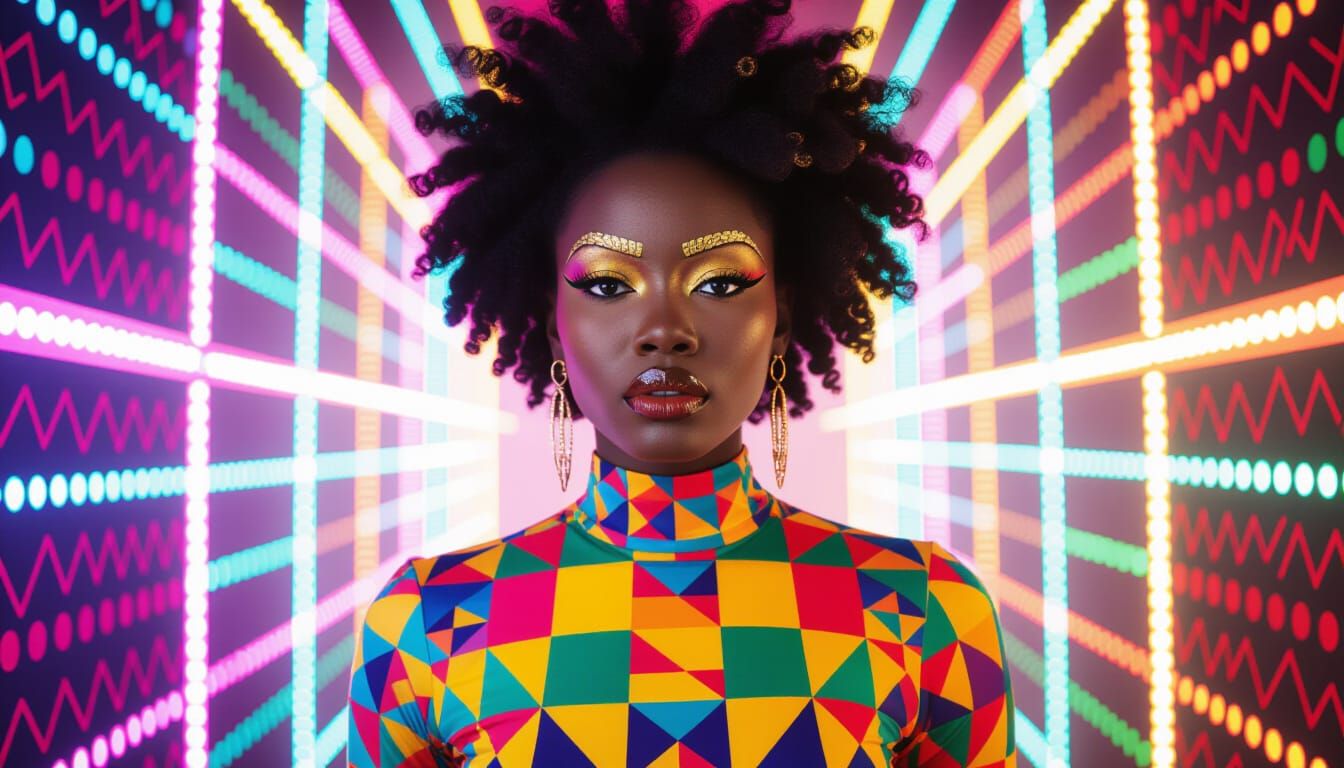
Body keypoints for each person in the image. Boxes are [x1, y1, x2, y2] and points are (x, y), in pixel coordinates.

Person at [347, 0, 1015, 765]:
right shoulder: (422, 625)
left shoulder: (926, 612)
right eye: (606, 284)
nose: (665, 327)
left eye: (720, 283)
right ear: (553, 323)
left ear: (783, 319)